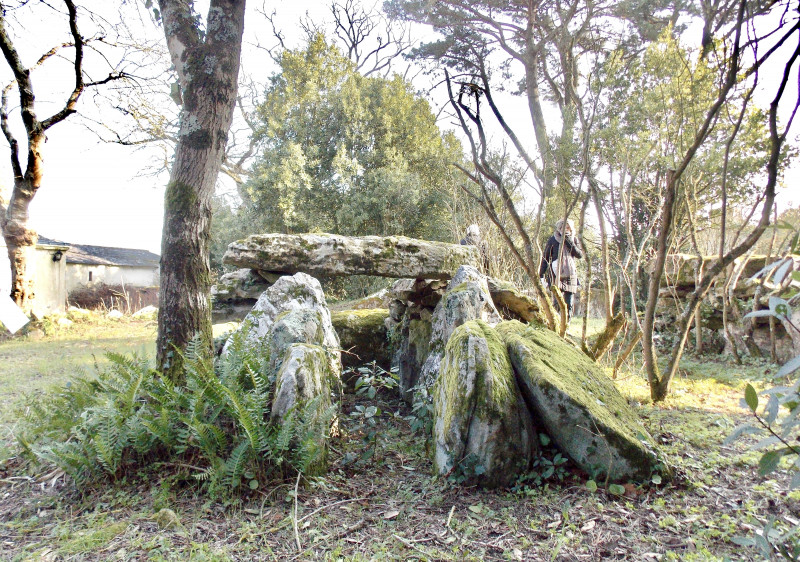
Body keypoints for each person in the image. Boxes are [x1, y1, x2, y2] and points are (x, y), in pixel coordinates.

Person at [539, 218, 583, 322]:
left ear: (571, 228)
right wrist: (541, 274)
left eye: (568, 227)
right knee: (556, 302)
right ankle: (555, 324)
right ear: (559, 228)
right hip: (555, 273)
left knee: (569, 303)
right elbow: (545, 257)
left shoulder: (574, 239)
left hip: (570, 274)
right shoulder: (553, 239)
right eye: (563, 227)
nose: (565, 229)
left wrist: (569, 241)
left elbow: (579, 255)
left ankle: (566, 325)